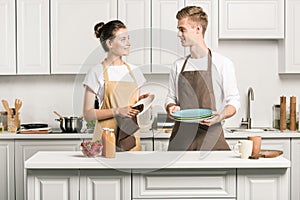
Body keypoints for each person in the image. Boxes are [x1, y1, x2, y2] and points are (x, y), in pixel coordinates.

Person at [165, 6, 240, 151]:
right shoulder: (178, 65)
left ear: (198, 29)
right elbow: (170, 97)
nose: (178, 34)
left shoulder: (222, 63)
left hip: (211, 139)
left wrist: (220, 116)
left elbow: (234, 101)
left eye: (182, 29)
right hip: (181, 141)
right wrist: (171, 107)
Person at [83, 20, 149, 151]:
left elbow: (131, 108)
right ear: (110, 43)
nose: (129, 43)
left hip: (130, 136)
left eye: (128, 39)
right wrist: (117, 111)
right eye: (123, 39)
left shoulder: (135, 72)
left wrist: (142, 103)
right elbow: (88, 114)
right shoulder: (96, 72)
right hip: (105, 138)